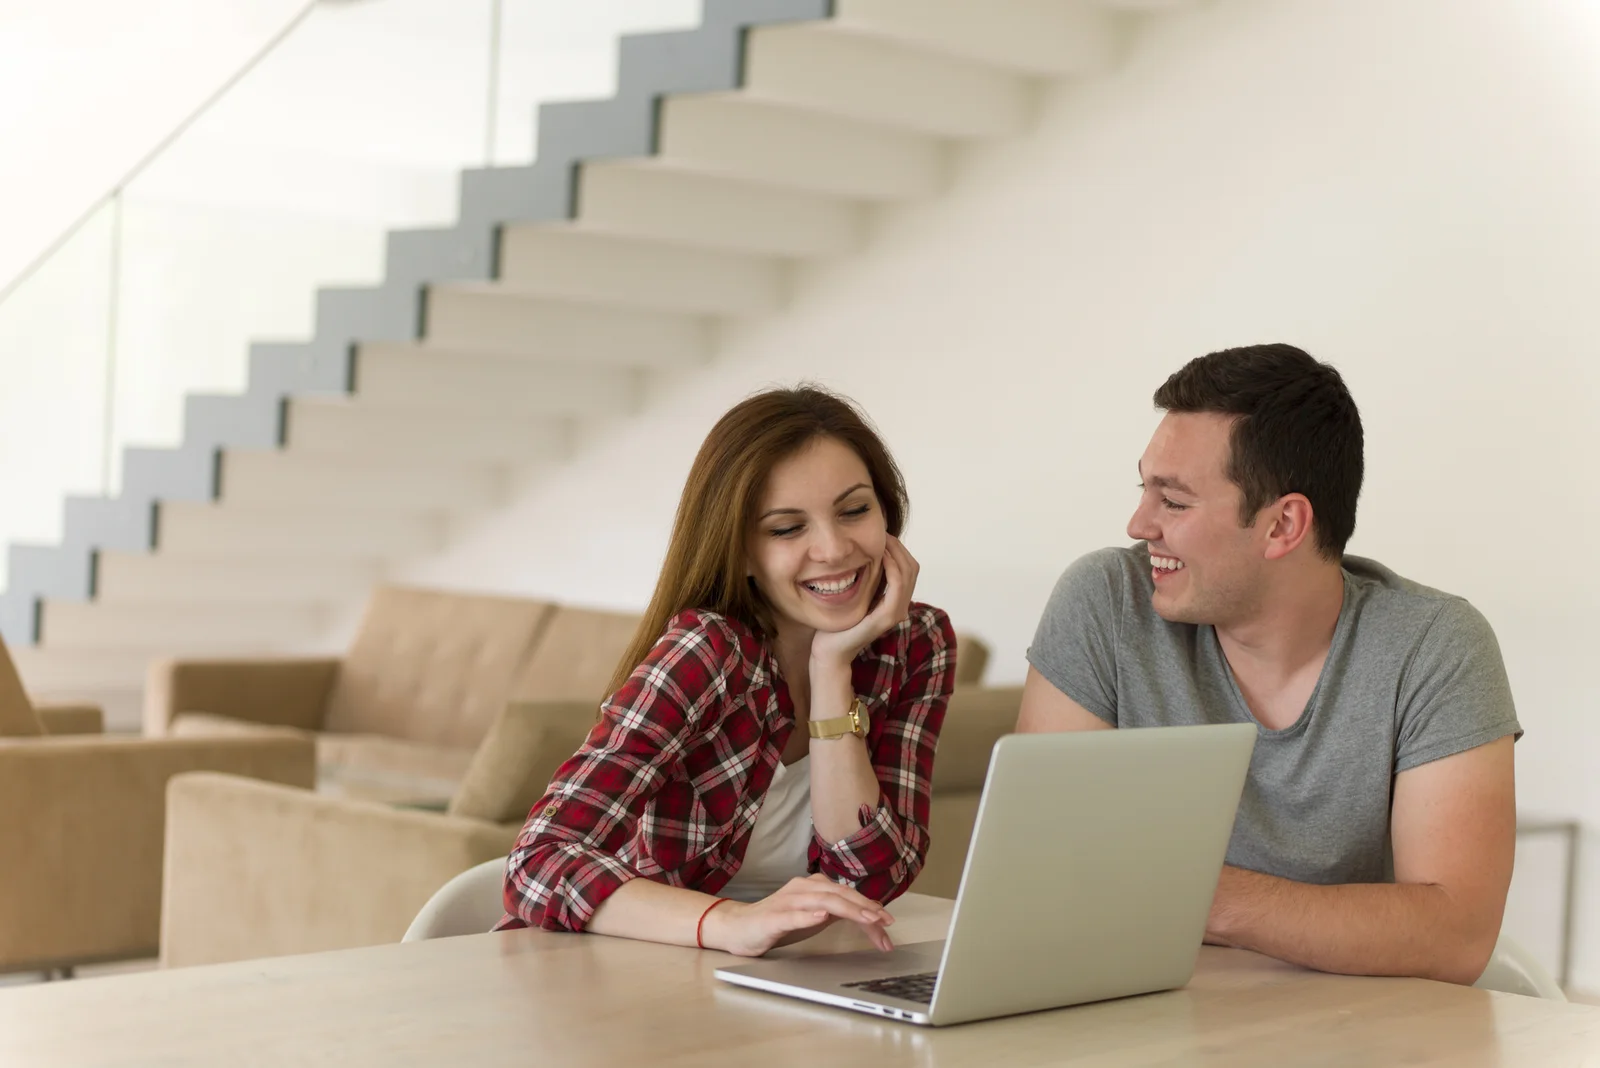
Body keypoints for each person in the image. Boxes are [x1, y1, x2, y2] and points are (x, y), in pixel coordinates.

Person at [1018, 343, 1520, 985]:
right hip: (1131, 1007)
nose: (1140, 523)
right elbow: (1045, 875)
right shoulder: (1108, 603)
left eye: (1173, 501)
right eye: (1144, 490)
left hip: (1349, 1029)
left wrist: (1192, 891)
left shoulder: (1434, 646)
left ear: (1283, 525)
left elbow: (1455, 936)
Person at [498, 385, 956, 958]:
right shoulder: (707, 653)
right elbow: (537, 861)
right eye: (787, 528)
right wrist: (733, 923)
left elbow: (872, 878)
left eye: (854, 510)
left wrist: (832, 665)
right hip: (624, 970)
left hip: (792, 976)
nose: (835, 548)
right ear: (740, 551)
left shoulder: (916, 644)